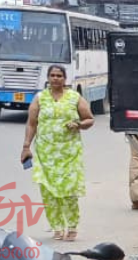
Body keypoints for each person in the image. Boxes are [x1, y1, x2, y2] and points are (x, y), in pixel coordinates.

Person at [20, 65, 94, 241]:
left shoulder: (74, 97)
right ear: (48, 78)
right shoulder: (40, 98)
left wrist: (78, 124)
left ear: (64, 78)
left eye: (59, 76)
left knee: (68, 191)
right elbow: (31, 123)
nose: (55, 78)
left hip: (69, 153)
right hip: (45, 154)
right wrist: (26, 147)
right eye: (52, 75)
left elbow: (89, 119)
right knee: (48, 192)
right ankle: (57, 227)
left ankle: (72, 226)